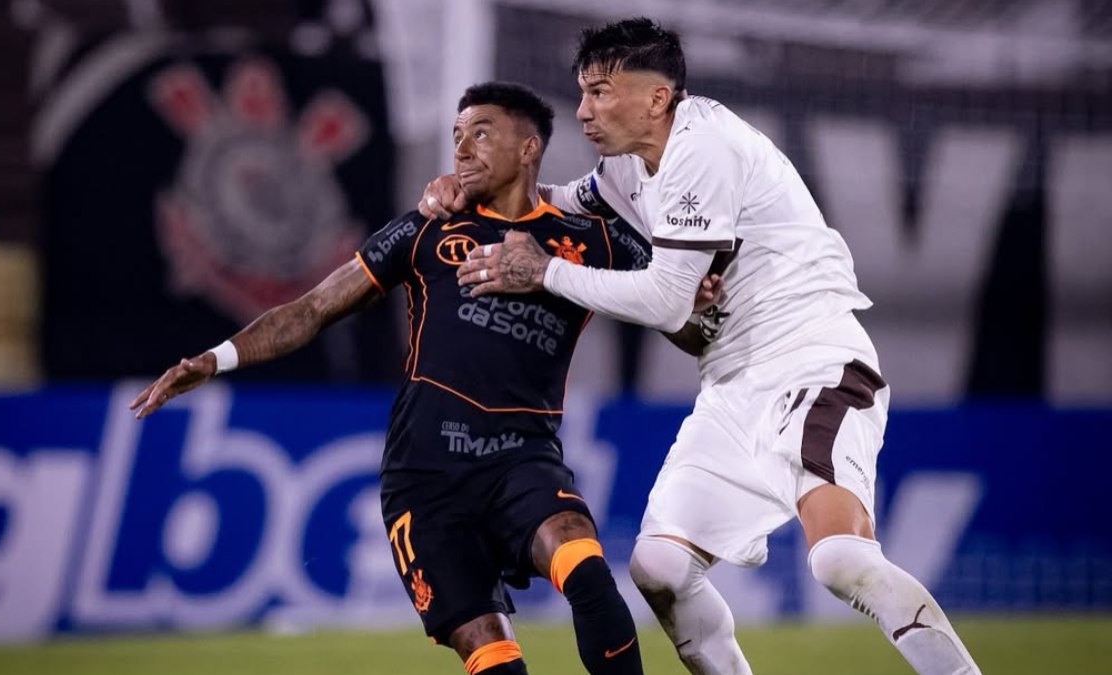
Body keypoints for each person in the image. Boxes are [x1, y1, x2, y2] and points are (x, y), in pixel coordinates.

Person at [420, 18, 982, 675]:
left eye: (600, 92)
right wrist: (469, 190)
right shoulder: (626, 168)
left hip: (812, 361)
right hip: (731, 383)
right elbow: (552, 202)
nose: (583, 111)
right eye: (582, 92)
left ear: (656, 98)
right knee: (659, 567)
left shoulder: (703, 147)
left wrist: (544, 271)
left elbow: (666, 300)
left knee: (839, 560)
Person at [132, 81, 717, 675]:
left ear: (528, 148)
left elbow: (674, 312)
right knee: (494, 657)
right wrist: (215, 359)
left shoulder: (590, 239)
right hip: (424, 478)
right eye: (457, 135)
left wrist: (696, 305)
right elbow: (314, 308)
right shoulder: (425, 229)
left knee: (586, 571)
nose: (461, 148)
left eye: (481, 133)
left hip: (522, 457)